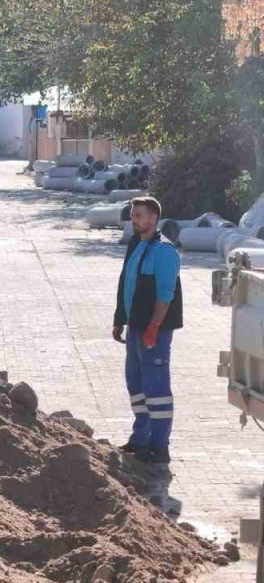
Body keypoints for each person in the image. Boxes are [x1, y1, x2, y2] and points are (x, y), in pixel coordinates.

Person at [112, 196, 182, 464]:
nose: (134, 219)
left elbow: (166, 295)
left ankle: (160, 446)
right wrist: (120, 318)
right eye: (132, 214)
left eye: (138, 215)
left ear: (153, 218)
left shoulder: (165, 251)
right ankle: (140, 439)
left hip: (154, 331)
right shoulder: (136, 244)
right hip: (136, 328)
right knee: (136, 384)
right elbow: (126, 283)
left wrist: (154, 327)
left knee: (157, 388)